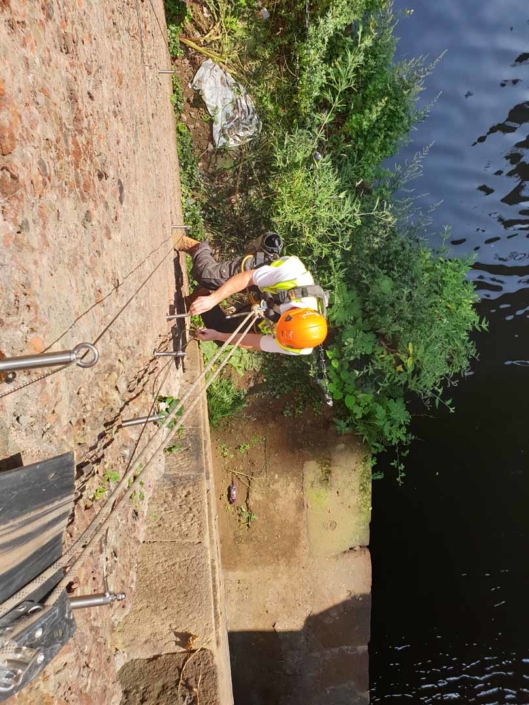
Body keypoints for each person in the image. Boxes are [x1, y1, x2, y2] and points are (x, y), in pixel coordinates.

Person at [175, 233, 328, 355]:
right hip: (264, 274)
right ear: (290, 314)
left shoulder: (297, 344)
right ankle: (197, 248)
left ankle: (199, 296)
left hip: (269, 305)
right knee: (206, 274)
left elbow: (256, 342)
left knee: (223, 334)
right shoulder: (291, 273)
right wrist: (214, 299)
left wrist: (217, 335)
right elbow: (248, 277)